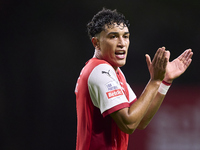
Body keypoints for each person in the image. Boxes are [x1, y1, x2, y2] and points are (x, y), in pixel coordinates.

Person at [75, 8, 193, 150]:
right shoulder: (100, 71)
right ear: (96, 43)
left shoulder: (114, 72)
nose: (122, 43)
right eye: (113, 36)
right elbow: (129, 124)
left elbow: (141, 120)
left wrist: (164, 82)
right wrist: (154, 81)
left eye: (125, 36)